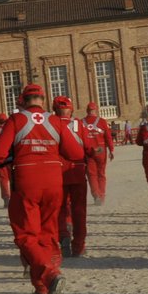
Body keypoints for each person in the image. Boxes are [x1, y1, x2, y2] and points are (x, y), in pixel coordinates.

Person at [0, 82, 85, 294]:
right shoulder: (55, 121)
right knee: (48, 233)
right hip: (54, 181)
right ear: (43, 99)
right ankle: (42, 290)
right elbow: (76, 152)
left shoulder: (17, 120)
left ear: (23, 100)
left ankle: (50, 275)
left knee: (26, 235)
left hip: (27, 180)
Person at [52, 96, 90, 259]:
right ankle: (79, 246)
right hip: (77, 171)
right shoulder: (79, 125)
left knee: (59, 209)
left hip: (57, 173)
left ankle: (63, 236)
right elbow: (89, 147)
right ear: (71, 109)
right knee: (79, 211)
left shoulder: (51, 124)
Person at [80, 102, 115, 205]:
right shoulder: (102, 122)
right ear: (96, 110)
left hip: (89, 152)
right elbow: (108, 137)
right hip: (101, 150)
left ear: (87, 111)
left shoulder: (81, 122)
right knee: (101, 174)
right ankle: (102, 195)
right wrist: (111, 150)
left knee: (92, 175)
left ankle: (96, 195)